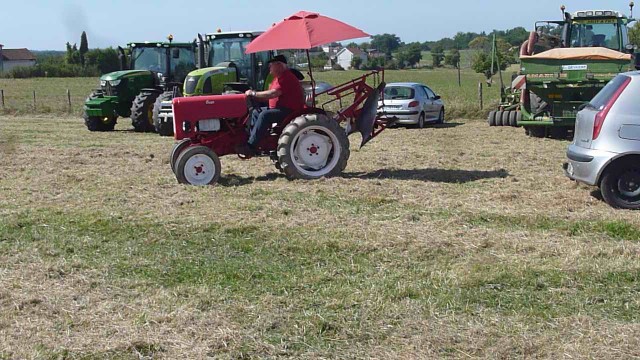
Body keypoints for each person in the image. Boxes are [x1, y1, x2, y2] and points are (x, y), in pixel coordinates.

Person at [235, 55, 304, 157]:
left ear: (279, 65)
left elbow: (272, 94)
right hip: (278, 108)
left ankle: (251, 146)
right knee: (255, 112)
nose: (269, 67)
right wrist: (254, 97)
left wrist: (254, 94)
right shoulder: (277, 78)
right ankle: (252, 141)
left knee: (265, 115)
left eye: (271, 65)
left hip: (289, 110)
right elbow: (268, 96)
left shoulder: (287, 77)